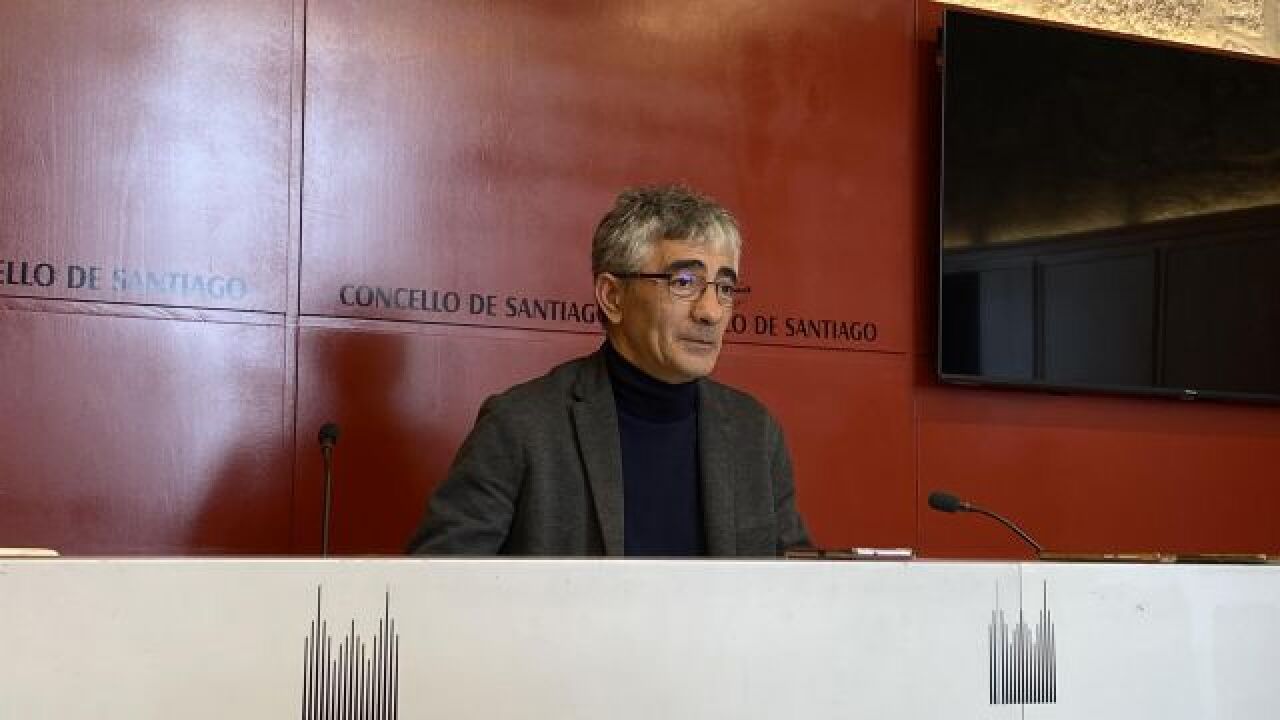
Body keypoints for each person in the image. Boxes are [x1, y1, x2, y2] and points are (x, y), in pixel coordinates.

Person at [407, 185, 809, 556]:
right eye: (684, 282)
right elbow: (435, 585)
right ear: (612, 297)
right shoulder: (521, 426)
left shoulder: (754, 432)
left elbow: (801, 589)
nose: (711, 312)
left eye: (724, 287)